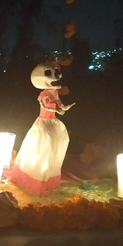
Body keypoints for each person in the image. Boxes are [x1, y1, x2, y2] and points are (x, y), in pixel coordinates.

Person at [8, 61, 75, 196]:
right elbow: (44, 105)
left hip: (53, 121)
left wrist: (63, 108)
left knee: (56, 144)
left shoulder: (55, 92)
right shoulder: (43, 94)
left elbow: (59, 105)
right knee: (42, 146)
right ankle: (35, 176)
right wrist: (55, 107)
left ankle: (48, 177)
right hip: (43, 122)